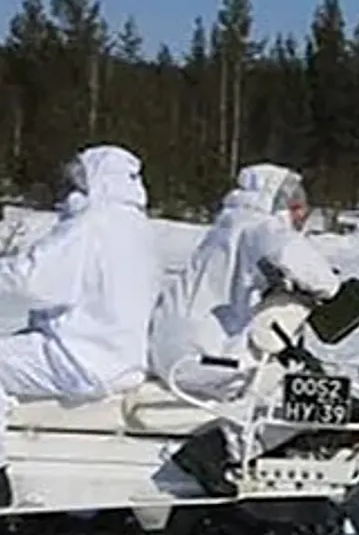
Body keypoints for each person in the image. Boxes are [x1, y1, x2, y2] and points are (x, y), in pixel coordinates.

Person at [0, 144, 161, 512]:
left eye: (77, 178)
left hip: (81, 355)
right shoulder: (135, 227)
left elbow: (32, 279)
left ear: (96, 180)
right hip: (116, 354)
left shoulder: (91, 225)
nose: (69, 187)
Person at [146, 163, 342, 396]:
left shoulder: (227, 225)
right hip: (209, 359)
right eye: (296, 207)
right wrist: (332, 288)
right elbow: (307, 268)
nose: (301, 215)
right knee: (286, 317)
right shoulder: (261, 227)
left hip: (167, 354)